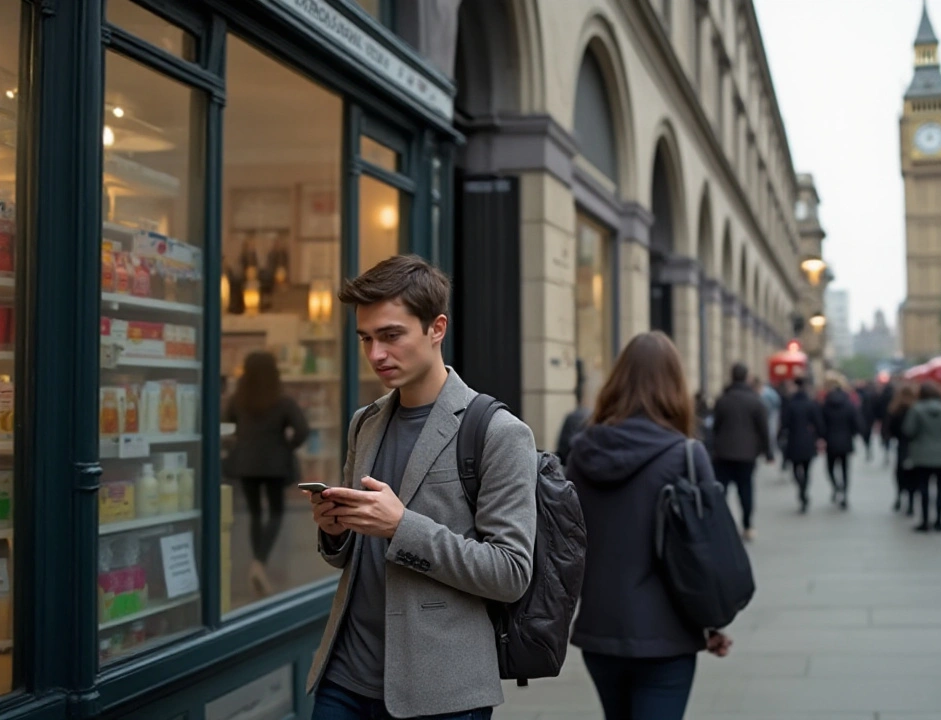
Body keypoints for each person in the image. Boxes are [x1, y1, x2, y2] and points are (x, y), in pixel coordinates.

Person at [305, 254, 538, 720]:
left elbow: (511, 573)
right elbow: (350, 556)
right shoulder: (365, 423)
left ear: (437, 328)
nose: (375, 355)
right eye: (366, 339)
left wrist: (400, 527)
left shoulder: (499, 432)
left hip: (441, 690)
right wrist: (334, 530)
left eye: (391, 336)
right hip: (345, 675)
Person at [566, 331, 734, 720]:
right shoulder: (686, 455)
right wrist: (711, 622)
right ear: (676, 386)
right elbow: (709, 551)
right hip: (667, 636)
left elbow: (567, 540)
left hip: (600, 631)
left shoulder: (582, 451)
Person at [223, 351, 310, 598]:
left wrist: (240, 440)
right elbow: (302, 429)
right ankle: (260, 564)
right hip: (274, 464)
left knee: (254, 514)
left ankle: (256, 562)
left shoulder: (238, 400)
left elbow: (226, 423)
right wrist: (287, 447)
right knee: (276, 511)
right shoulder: (282, 400)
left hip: (246, 463)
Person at [711, 363, 774, 540]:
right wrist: (768, 453)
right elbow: (763, 429)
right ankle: (747, 525)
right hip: (747, 454)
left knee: (722, 490)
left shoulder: (723, 400)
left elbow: (715, 427)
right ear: (747, 378)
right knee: (745, 489)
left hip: (723, 452)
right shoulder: (755, 400)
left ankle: (720, 525)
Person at [903, 382, 941, 533]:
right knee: (940, 488)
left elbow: (909, 430)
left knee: (924, 488)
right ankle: (939, 521)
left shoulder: (916, 409)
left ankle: (925, 520)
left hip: (921, 454)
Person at [778, 376, 825, 513]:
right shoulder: (811, 403)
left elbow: (784, 423)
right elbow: (818, 423)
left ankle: (801, 489)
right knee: (807, 469)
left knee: (795, 469)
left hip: (794, 440)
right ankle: (804, 489)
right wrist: (820, 437)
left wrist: (779, 436)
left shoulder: (791, 404)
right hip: (808, 440)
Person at [821, 373, 862, 510]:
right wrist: (854, 434)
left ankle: (836, 486)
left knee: (830, 468)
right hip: (846, 441)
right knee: (845, 470)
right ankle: (844, 493)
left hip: (831, 441)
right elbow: (856, 423)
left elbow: (821, 423)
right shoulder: (849, 405)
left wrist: (822, 436)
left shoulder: (826, 405)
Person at [886, 384, 918, 514]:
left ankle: (899, 496)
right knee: (913, 474)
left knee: (900, 473)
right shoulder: (916, 409)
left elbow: (890, 428)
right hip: (915, 445)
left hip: (902, 445)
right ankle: (911, 501)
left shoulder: (896, 409)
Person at [755, 376, 783, 464]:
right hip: (766, 415)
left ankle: (769, 449)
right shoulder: (761, 392)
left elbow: (776, 402)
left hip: (770, 415)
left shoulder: (767, 392)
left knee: (770, 433)